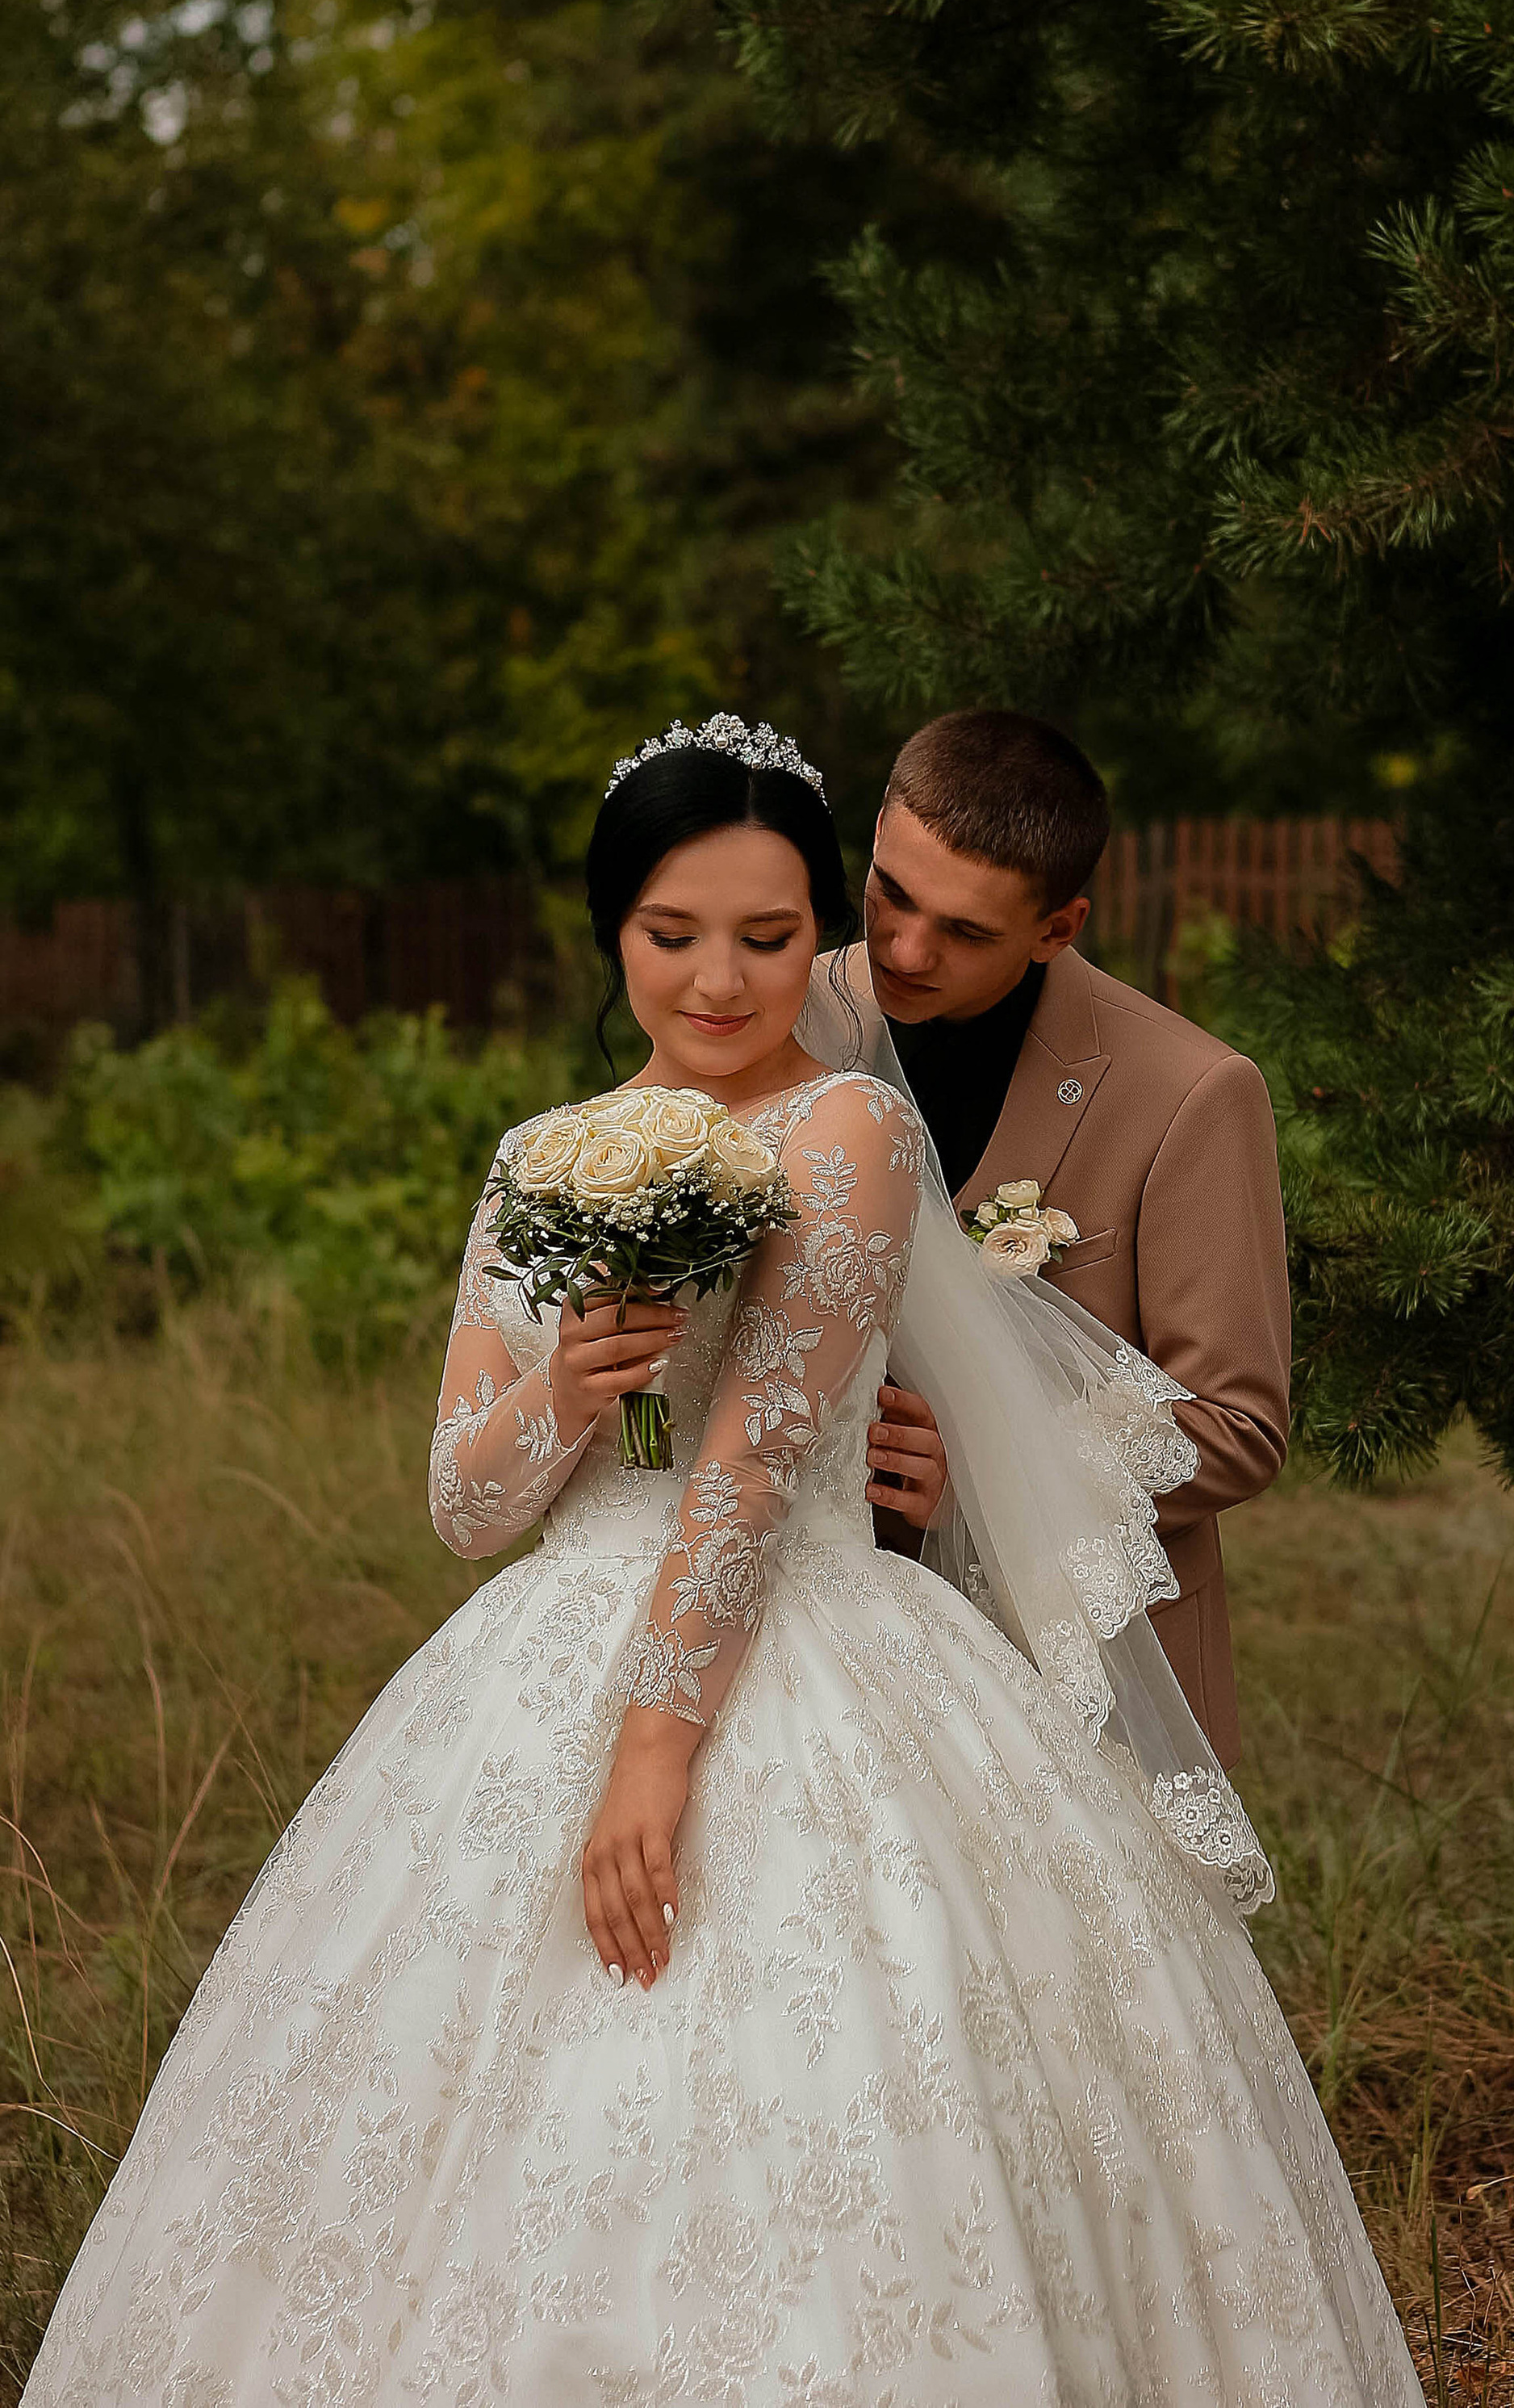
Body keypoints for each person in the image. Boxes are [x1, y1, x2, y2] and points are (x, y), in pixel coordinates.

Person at [24, 715, 1420, 2407]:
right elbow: (463, 1506)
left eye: (769, 937)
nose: (722, 977)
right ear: (611, 931)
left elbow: (754, 1470)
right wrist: (567, 1385)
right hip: (546, 1635)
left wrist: (655, 1750)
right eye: (671, 933)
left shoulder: (849, 1128)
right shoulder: (542, 1156)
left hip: (808, 1624)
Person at [856, 710, 1290, 1765]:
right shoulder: (792, 1014)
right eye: (891, 893)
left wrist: (991, 1476)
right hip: (819, 1650)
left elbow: (1239, 1426)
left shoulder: (1190, 1093)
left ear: (1058, 927)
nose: (905, 951)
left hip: (1078, 1677)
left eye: (966, 932)